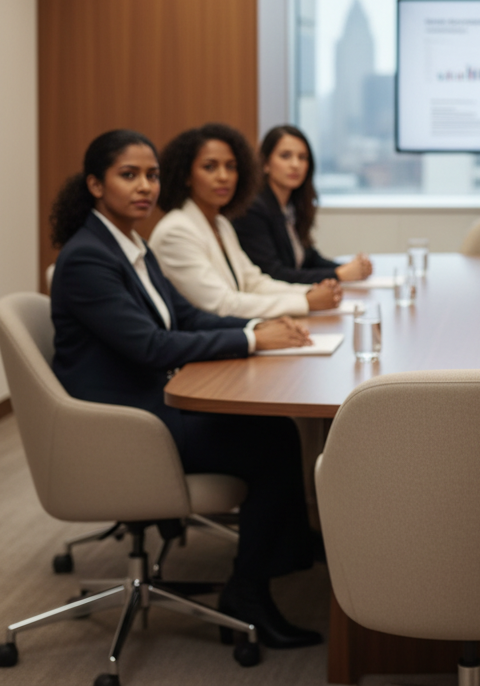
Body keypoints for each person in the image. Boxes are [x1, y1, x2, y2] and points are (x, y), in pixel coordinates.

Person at [50, 129, 322, 647]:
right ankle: (250, 591)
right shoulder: (89, 258)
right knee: (272, 442)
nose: (144, 186)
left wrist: (256, 336)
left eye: (151, 175)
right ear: (94, 184)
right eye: (128, 175)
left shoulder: (129, 242)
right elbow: (152, 347)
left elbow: (185, 315)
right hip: (125, 425)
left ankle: (276, 570)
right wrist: (247, 338)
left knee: (273, 431)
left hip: (148, 404)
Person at [149, 123, 343, 319]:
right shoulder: (176, 231)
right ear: (186, 176)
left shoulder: (221, 224)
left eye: (231, 167)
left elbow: (253, 283)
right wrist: (305, 302)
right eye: (210, 167)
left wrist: (308, 293)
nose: (224, 177)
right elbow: (222, 304)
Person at [233, 124, 372, 284]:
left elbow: (309, 259)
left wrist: (351, 268)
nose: (295, 164)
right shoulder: (252, 209)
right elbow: (273, 274)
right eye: (285, 156)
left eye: (302, 157)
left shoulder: (291, 204)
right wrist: (339, 273)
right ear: (266, 163)